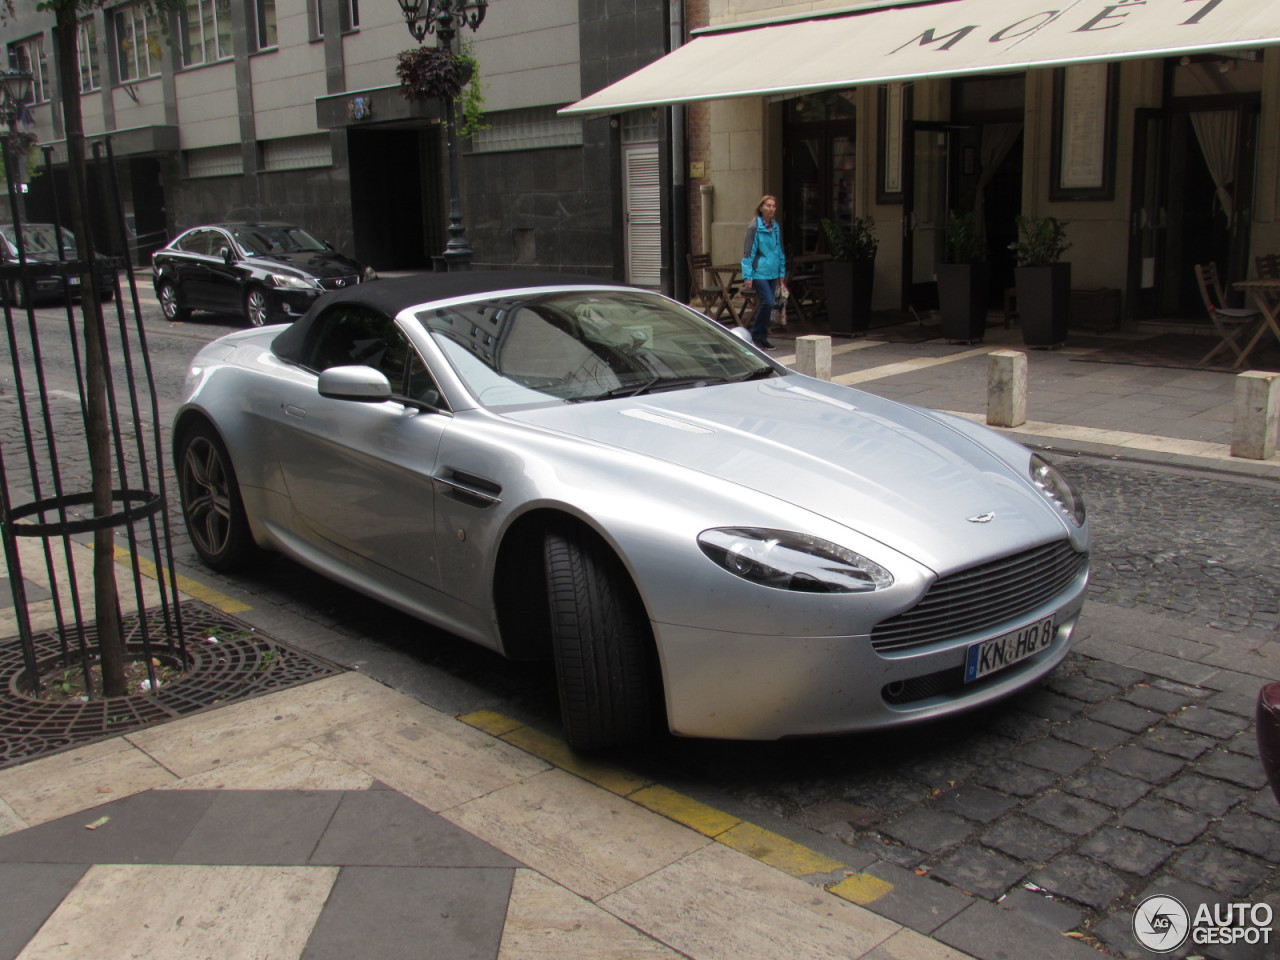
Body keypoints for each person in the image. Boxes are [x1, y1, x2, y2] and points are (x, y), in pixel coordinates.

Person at [740, 195, 786, 349]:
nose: (771, 208)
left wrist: (781, 273)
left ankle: (763, 337)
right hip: (759, 272)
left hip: (773, 272)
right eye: (768, 205)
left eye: (773, 206)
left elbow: (779, 250)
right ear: (761, 208)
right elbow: (748, 253)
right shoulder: (754, 227)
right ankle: (756, 336)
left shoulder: (776, 227)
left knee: (769, 304)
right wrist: (747, 276)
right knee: (768, 301)